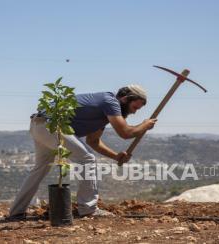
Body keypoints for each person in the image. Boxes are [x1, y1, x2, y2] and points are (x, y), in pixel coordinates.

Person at [8, 85, 157, 219]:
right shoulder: (110, 102)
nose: (134, 112)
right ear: (125, 99)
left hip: (39, 125)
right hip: (51, 125)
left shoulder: (105, 110)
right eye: (134, 108)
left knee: (39, 169)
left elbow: (94, 141)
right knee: (87, 160)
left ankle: (17, 211)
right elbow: (126, 133)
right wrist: (144, 125)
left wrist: (115, 156)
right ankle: (89, 209)